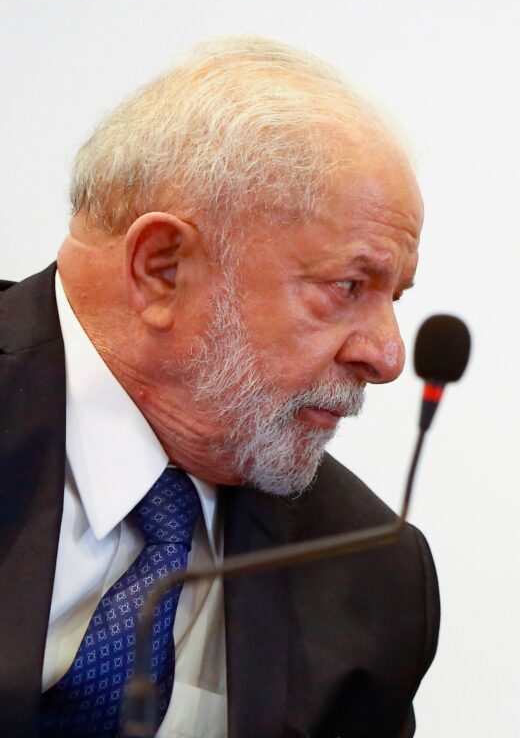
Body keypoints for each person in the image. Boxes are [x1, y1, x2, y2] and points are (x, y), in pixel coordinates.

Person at [0, 37, 439, 737]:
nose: (387, 356)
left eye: (395, 298)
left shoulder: (369, 576)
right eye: (348, 286)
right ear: (162, 269)